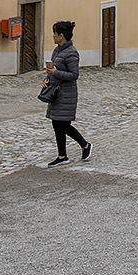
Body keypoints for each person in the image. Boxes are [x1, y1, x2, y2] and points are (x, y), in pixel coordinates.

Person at [43, 20, 91, 167]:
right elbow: (54, 70)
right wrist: (48, 78)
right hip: (56, 92)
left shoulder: (71, 53)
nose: (53, 36)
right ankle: (62, 155)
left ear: (61, 35)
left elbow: (74, 75)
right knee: (57, 123)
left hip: (66, 94)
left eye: (55, 33)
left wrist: (56, 73)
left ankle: (85, 145)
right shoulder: (57, 50)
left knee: (63, 124)